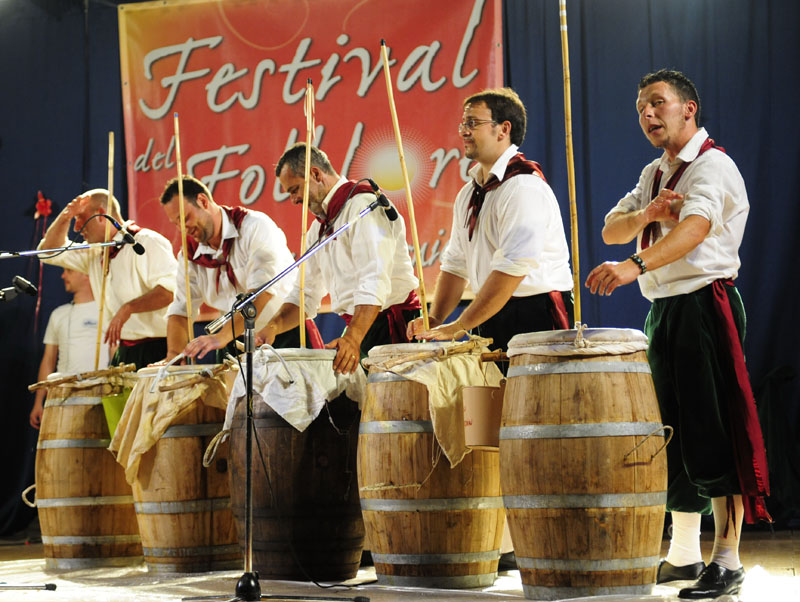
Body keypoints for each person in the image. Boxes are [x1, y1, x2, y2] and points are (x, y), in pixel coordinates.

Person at [585, 69, 769, 599]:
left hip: (704, 304)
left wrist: (633, 265)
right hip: (663, 310)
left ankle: (728, 559)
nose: (647, 113)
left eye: (658, 103)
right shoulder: (654, 173)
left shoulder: (713, 166)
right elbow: (610, 228)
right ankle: (684, 553)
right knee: (673, 431)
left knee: (713, 429)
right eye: (641, 105)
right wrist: (647, 212)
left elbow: (694, 230)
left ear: (689, 108)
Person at [406, 87, 573, 352]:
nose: (463, 131)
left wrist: (459, 325)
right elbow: (455, 265)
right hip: (488, 313)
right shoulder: (468, 193)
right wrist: (434, 320)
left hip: (535, 314)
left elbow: (512, 269)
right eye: (463, 123)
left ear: (503, 130)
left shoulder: (523, 186)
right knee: (492, 392)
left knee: (535, 393)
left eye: (472, 123)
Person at [255, 143, 420, 374]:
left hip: (393, 327)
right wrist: (272, 326)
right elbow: (305, 294)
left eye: (295, 190)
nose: (293, 200)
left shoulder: (363, 206)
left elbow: (374, 279)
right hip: (360, 327)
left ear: (315, 174)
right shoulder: (317, 230)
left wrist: (353, 338)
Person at [160, 175, 317, 361]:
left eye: (185, 218)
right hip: (233, 341)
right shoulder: (191, 255)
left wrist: (222, 336)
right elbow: (181, 310)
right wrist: (174, 357)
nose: (183, 228)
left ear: (203, 201)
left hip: (284, 333)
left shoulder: (254, 227)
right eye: (176, 223)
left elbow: (261, 292)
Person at [38, 189, 176, 368]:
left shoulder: (146, 241)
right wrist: (66, 216)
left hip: (160, 348)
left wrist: (128, 308)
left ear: (102, 215)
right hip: (125, 351)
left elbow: (170, 292)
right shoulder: (95, 252)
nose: (76, 227)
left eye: (80, 218)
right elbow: (47, 252)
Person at [29, 268, 109, 429]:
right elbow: (48, 359)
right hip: (61, 397)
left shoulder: (107, 311)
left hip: (98, 396)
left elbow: (115, 353)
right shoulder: (58, 314)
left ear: (87, 275)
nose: (63, 275)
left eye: (69, 271)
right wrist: (39, 402)